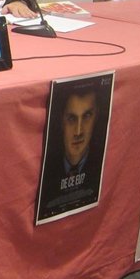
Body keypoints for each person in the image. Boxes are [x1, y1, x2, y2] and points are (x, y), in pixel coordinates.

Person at [38, 82, 107, 220]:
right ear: (61, 121)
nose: (78, 131)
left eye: (87, 116)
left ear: (97, 116)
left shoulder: (103, 163)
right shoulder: (46, 165)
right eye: (71, 118)